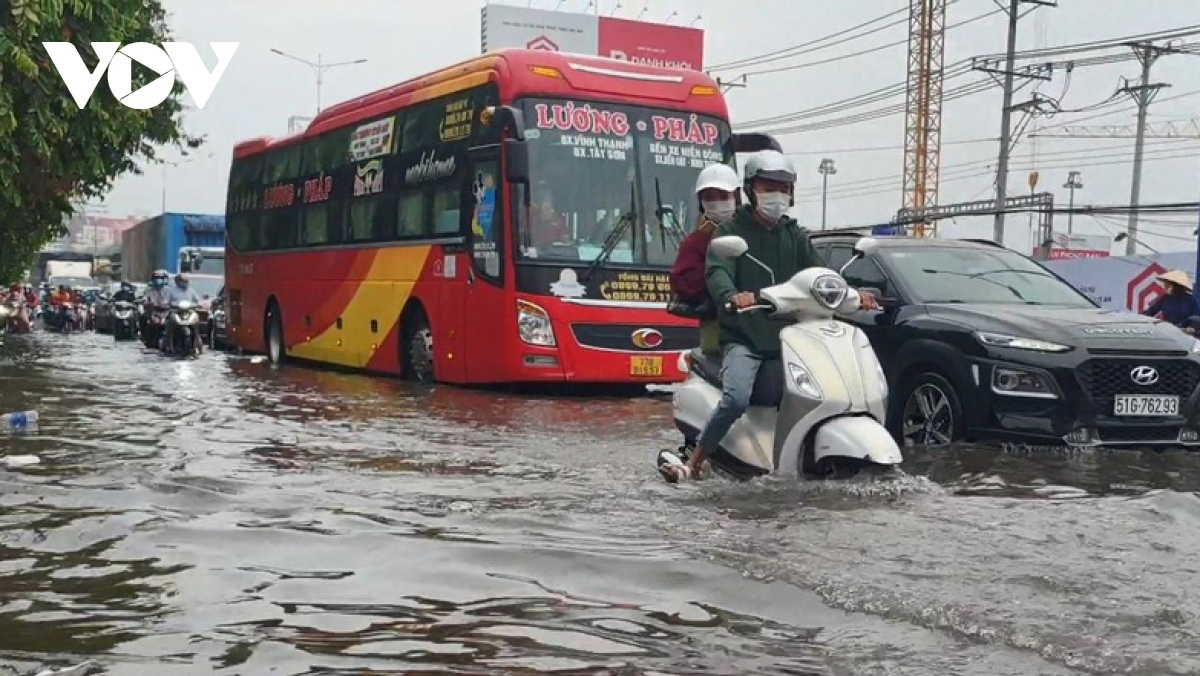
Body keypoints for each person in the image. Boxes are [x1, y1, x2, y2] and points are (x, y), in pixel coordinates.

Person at [660, 150, 878, 483]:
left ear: (791, 193)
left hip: (791, 338)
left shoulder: (794, 235)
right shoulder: (731, 231)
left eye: (783, 187)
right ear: (750, 190)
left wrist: (851, 294)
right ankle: (697, 461)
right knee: (736, 399)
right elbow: (717, 270)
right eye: (768, 186)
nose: (776, 194)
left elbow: (821, 273)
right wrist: (732, 295)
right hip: (745, 337)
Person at [669, 163, 742, 355]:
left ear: (737, 196)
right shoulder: (696, 241)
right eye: (710, 197)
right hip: (715, 327)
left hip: (757, 328)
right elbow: (682, 282)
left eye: (723, 196)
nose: (717, 202)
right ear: (701, 203)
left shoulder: (752, 233)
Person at [164, 273, 203, 353]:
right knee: (170, 323)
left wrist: (199, 304)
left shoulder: (191, 291)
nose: (184, 283)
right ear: (177, 282)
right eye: (183, 281)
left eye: (186, 281)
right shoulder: (172, 291)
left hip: (188, 312)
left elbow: (197, 300)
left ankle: (197, 343)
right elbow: (166, 301)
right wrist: (167, 304)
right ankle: (169, 344)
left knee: (196, 324)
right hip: (176, 312)